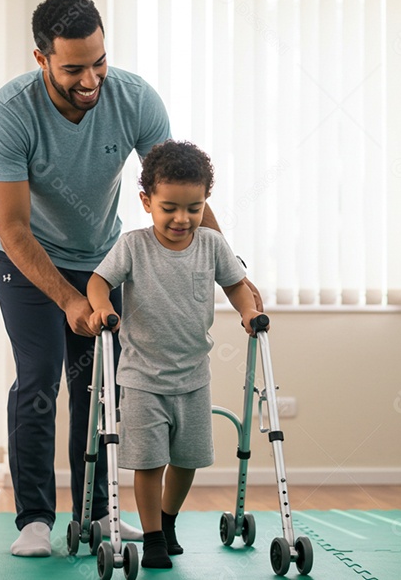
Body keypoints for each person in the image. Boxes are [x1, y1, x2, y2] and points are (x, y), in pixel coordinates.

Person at [0, 0, 170, 558]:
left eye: (99, 62)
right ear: (41, 60)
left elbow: (178, 189)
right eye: (73, 69)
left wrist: (231, 269)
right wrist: (67, 299)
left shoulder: (134, 99)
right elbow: (13, 229)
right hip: (25, 257)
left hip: (99, 257)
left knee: (99, 382)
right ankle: (35, 519)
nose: (91, 80)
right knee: (39, 377)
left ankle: (100, 513)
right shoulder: (9, 113)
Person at [86, 140, 265, 569]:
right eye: (170, 208)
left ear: (205, 203)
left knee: (187, 461)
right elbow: (98, 281)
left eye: (194, 207)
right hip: (142, 377)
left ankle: (167, 522)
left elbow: (237, 286)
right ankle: (151, 539)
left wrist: (249, 312)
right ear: (147, 202)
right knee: (149, 463)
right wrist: (103, 307)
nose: (182, 219)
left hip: (193, 378)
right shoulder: (133, 246)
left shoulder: (212, 244)